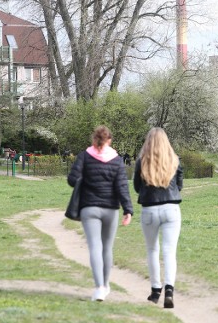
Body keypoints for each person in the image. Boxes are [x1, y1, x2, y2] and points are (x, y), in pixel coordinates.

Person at [67, 125, 133, 302]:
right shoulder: (117, 159)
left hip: (89, 208)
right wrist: (128, 209)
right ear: (109, 140)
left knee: (95, 247)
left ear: (93, 139)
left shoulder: (84, 156)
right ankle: (106, 284)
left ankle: (99, 288)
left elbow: (72, 180)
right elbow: (122, 186)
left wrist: (85, 178)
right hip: (111, 209)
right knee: (107, 248)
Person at [133, 128, 183, 309]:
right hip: (171, 209)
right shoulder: (175, 161)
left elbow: (137, 188)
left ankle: (155, 291)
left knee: (152, 250)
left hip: (149, 209)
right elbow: (179, 185)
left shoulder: (142, 162)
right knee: (169, 251)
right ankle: (169, 290)